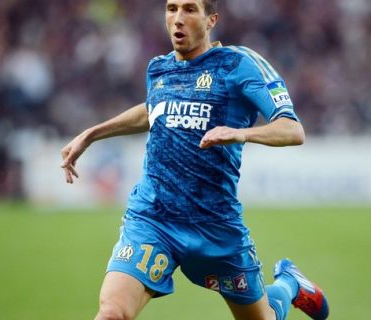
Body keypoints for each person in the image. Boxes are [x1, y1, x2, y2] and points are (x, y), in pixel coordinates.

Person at [60, 0, 329, 319]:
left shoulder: (238, 64)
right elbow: (154, 110)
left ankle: (288, 285)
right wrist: (92, 133)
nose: (177, 18)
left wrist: (240, 133)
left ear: (211, 19)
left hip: (214, 224)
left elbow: (292, 129)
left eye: (189, 9)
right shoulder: (158, 68)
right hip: (153, 217)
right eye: (171, 8)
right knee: (112, 314)